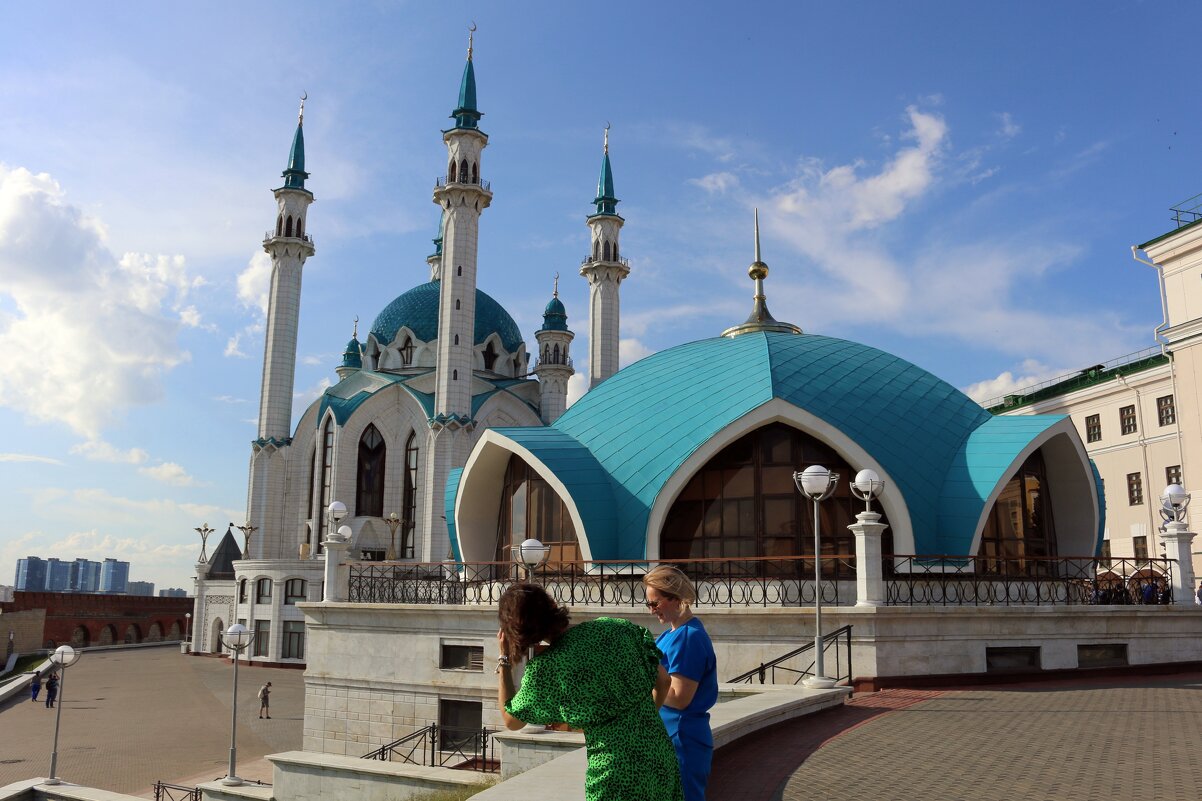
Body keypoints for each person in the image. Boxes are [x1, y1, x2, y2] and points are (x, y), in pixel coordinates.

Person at [496, 583, 682, 801]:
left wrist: (504, 660)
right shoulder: (614, 628)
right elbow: (664, 681)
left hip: (614, 773)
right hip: (660, 756)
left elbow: (511, 720)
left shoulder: (546, 669)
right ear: (552, 604)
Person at [643, 566, 718, 801]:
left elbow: (679, 697)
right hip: (672, 737)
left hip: (680, 739)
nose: (651, 610)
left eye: (655, 603)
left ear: (675, 598)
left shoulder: (687, 637)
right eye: (648, 604)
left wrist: (640, 685)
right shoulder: (672, 635)